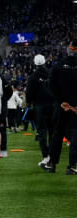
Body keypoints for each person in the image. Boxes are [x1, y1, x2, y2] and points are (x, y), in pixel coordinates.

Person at [42, 35, 77, 174]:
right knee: (76, 135)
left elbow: (51, 87)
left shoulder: (58, 66)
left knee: (57, 134)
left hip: (61, 106)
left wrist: (62, 101)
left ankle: (52, 164)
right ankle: (73, 166)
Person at [26, 54, 54, 167]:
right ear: (44, 62)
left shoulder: (33, 77)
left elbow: (29, 94)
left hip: (40, 107)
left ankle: (46, 156)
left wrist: (30, 102)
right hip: (52, 106)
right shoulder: (51, 74)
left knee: (42, 132)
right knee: (53, 132)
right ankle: (53, 155)